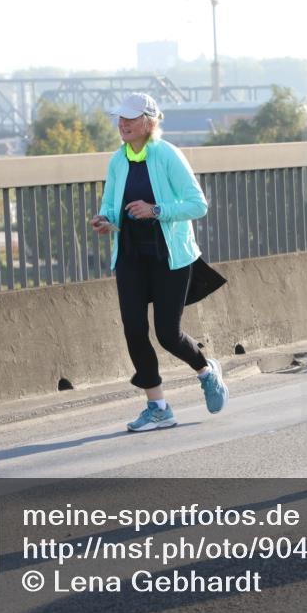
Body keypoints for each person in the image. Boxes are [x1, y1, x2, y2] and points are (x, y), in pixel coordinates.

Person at [90, 92, 229, 432]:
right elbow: (110, 205)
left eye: (130, 118)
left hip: (170, 256)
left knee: (168, 334)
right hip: (130, 256)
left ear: (149, 123)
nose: (122, 123)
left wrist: (156, 211)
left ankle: (206, 370)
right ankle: (158, 407)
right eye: (120, 117)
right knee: (134, 330)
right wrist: (105, 220)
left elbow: (198, 205)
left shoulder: (167, 155)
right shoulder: (117, 160)